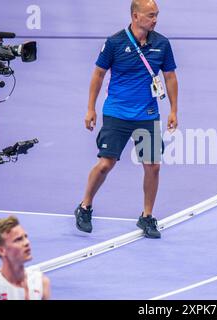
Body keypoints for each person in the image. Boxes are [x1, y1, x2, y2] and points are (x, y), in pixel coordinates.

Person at [74, 0, 178, 238]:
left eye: (157, 15)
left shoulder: (162, 44)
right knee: (105, 164)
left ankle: (147, 216)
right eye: (151, 15)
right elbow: (98, 74)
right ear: (135, 16)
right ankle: (84, 206)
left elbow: (170, 77)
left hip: (148, 114)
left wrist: (173, 110)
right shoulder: (114, 43)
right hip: (117, 113)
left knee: (153, 166)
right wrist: (90, 108)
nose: (155, 19)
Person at [0, 215, 51, 300]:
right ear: (1, 251)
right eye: (18, 240)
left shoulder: (41, 282)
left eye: (25, 237)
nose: (26, 242)